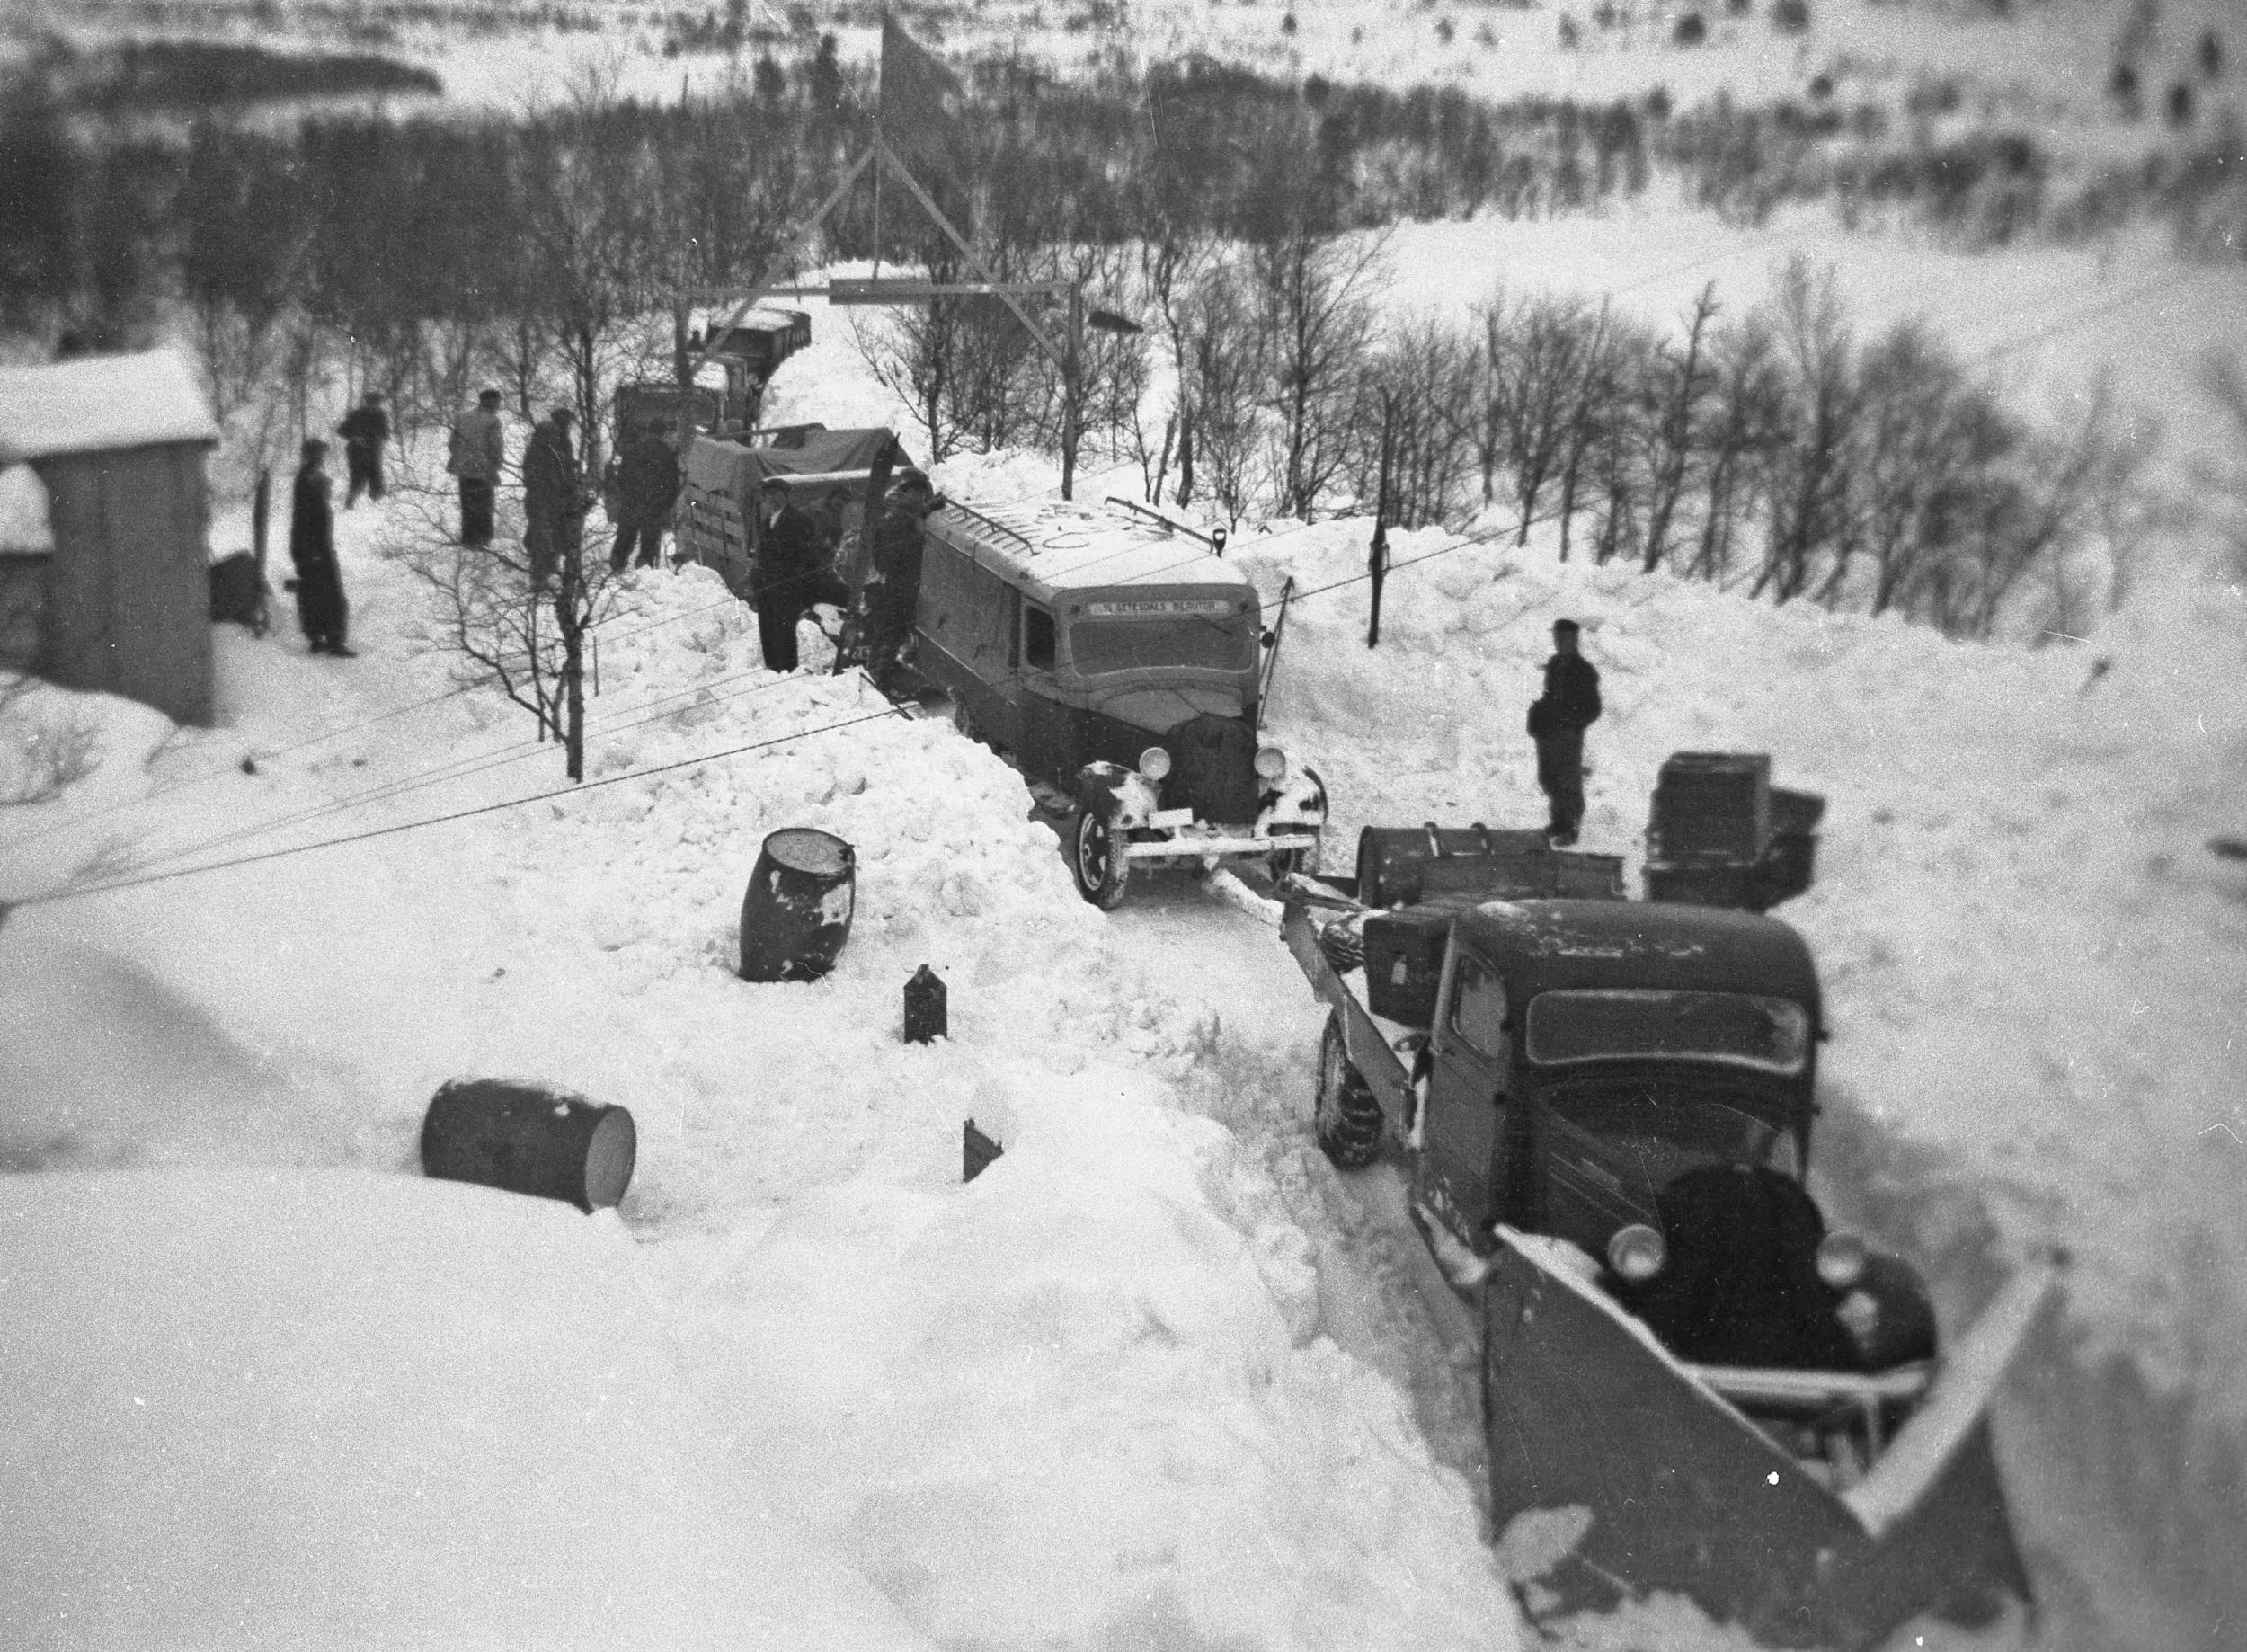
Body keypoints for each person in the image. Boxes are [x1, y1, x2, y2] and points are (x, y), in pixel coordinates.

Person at [1527, 617, 1601, 845]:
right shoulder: (1555, 664)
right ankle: (1559, 821)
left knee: (1568, 781)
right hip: (1548, 732)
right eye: (1557, 637)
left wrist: (1573, 724)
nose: (1560, 642)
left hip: (1567, 735)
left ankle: (1572, 827)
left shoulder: (1584, 670)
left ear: (1575, 639)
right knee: (1549, 778)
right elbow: (1551, 696)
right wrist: (1539, 714)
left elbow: (1593, 707)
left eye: (1566, 638)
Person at [866, 470, 937, 691]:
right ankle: (877, 682)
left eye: (921, 493)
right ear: (903, 494)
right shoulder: (894, 519)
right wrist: (919, 538)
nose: (918, 497)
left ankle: (883, 677)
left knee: (896, 635)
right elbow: (890, 555)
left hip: (908, 588)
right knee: (890, 636)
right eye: (912, 492)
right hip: (896, 589)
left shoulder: (911, 517)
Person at [752, 475, 822, 672]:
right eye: (769, 494)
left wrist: (801, 585)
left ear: (786, 496)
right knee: (768, 628)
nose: (772, 498)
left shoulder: (799, 520)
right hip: (767, 585)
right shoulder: (767, 522)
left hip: (787, 585)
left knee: (785, 630)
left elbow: (808, 557)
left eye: (777, 494)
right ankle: (773, 670)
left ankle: (788, 671)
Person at [289, 439, 352, 657]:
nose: (322, 458)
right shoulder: (311, 478)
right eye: (319, 454)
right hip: (315, 547)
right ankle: (334, 640)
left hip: (308, 546)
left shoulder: (306, 476)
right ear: (312, 455)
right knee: (330, 594)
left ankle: (317, 637)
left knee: (311, 592)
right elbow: (311, 518)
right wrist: (314, 550)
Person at [603, 419, 680, 573]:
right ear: (663, 433)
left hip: (632, 501)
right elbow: (673, 482)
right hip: (654, 505)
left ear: (647, 431)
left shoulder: (633, 449)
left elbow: (620, 475)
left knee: (625, 536)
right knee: (649, 542)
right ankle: (643, 569)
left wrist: (625, 493)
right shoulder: (666, 453)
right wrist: (667, 504)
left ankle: (616, 564)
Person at [522, 406, 582, 590]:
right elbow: (540, 475)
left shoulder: (555, 441)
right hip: (543, 499)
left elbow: (562, 468)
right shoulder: (546, 444)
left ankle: (547, 569)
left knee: (551, 534)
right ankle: (539, 578)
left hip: (553, 499)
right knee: (543, 536)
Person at [448, 388, 506, 548]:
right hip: (483, 469)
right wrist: (494, 469)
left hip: (464, 469)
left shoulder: (463, 417)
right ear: (491, 402)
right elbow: (496, 448)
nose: (499, 405)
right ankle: (483, 541)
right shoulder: (493, 421)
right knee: (484, 505)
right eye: (498, 401)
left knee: (468, 503)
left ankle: (468, 539)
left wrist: (463, 458)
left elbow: (452, 443)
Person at [335, 390, 389, 508]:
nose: (375, 405)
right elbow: (341, 430)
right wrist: (354, 437)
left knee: (376, 477)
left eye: (377, 403)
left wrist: (377, 439)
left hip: (373, 450)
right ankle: (350, 504)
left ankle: (377, 508)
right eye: (372, 403)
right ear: (367, 403)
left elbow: (386, 435)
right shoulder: (356, 415)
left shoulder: (382, 416)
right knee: (358, 478)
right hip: (356, 451)